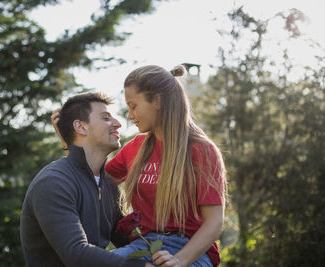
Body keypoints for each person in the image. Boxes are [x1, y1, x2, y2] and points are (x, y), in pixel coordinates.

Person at [52, 65, 227, 267]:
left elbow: (214, 222)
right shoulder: (136, 147)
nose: (129, 115)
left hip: (191, 251)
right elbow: (92, 181)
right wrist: (69, 142)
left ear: (158, 100)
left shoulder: (202, 150)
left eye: (133, 106)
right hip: (144, 245)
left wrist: (179, 260)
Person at [20, 93, 150, 267]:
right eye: (105, 118)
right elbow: (76, 254)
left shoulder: (108, 186)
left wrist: (161, 251)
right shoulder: (53, 182)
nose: (118, 124)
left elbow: (127, 239)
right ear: (80, 127)